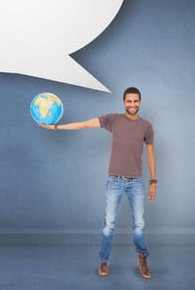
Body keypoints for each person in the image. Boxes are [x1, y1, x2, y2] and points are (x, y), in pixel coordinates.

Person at [39, 87, 156, 279]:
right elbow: (84, 125)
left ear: (140, 102)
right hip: (115, 181)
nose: (132, 105)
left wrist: (153, 181)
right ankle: (104, 260)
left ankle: (142, 258)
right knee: (109, 225)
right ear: (123, 102)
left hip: (136, 183)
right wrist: (57, 127)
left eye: (136, 101)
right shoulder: (113, 120)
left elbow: (151, 154)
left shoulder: (147, 126)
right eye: (129, 101)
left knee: (139, 225)